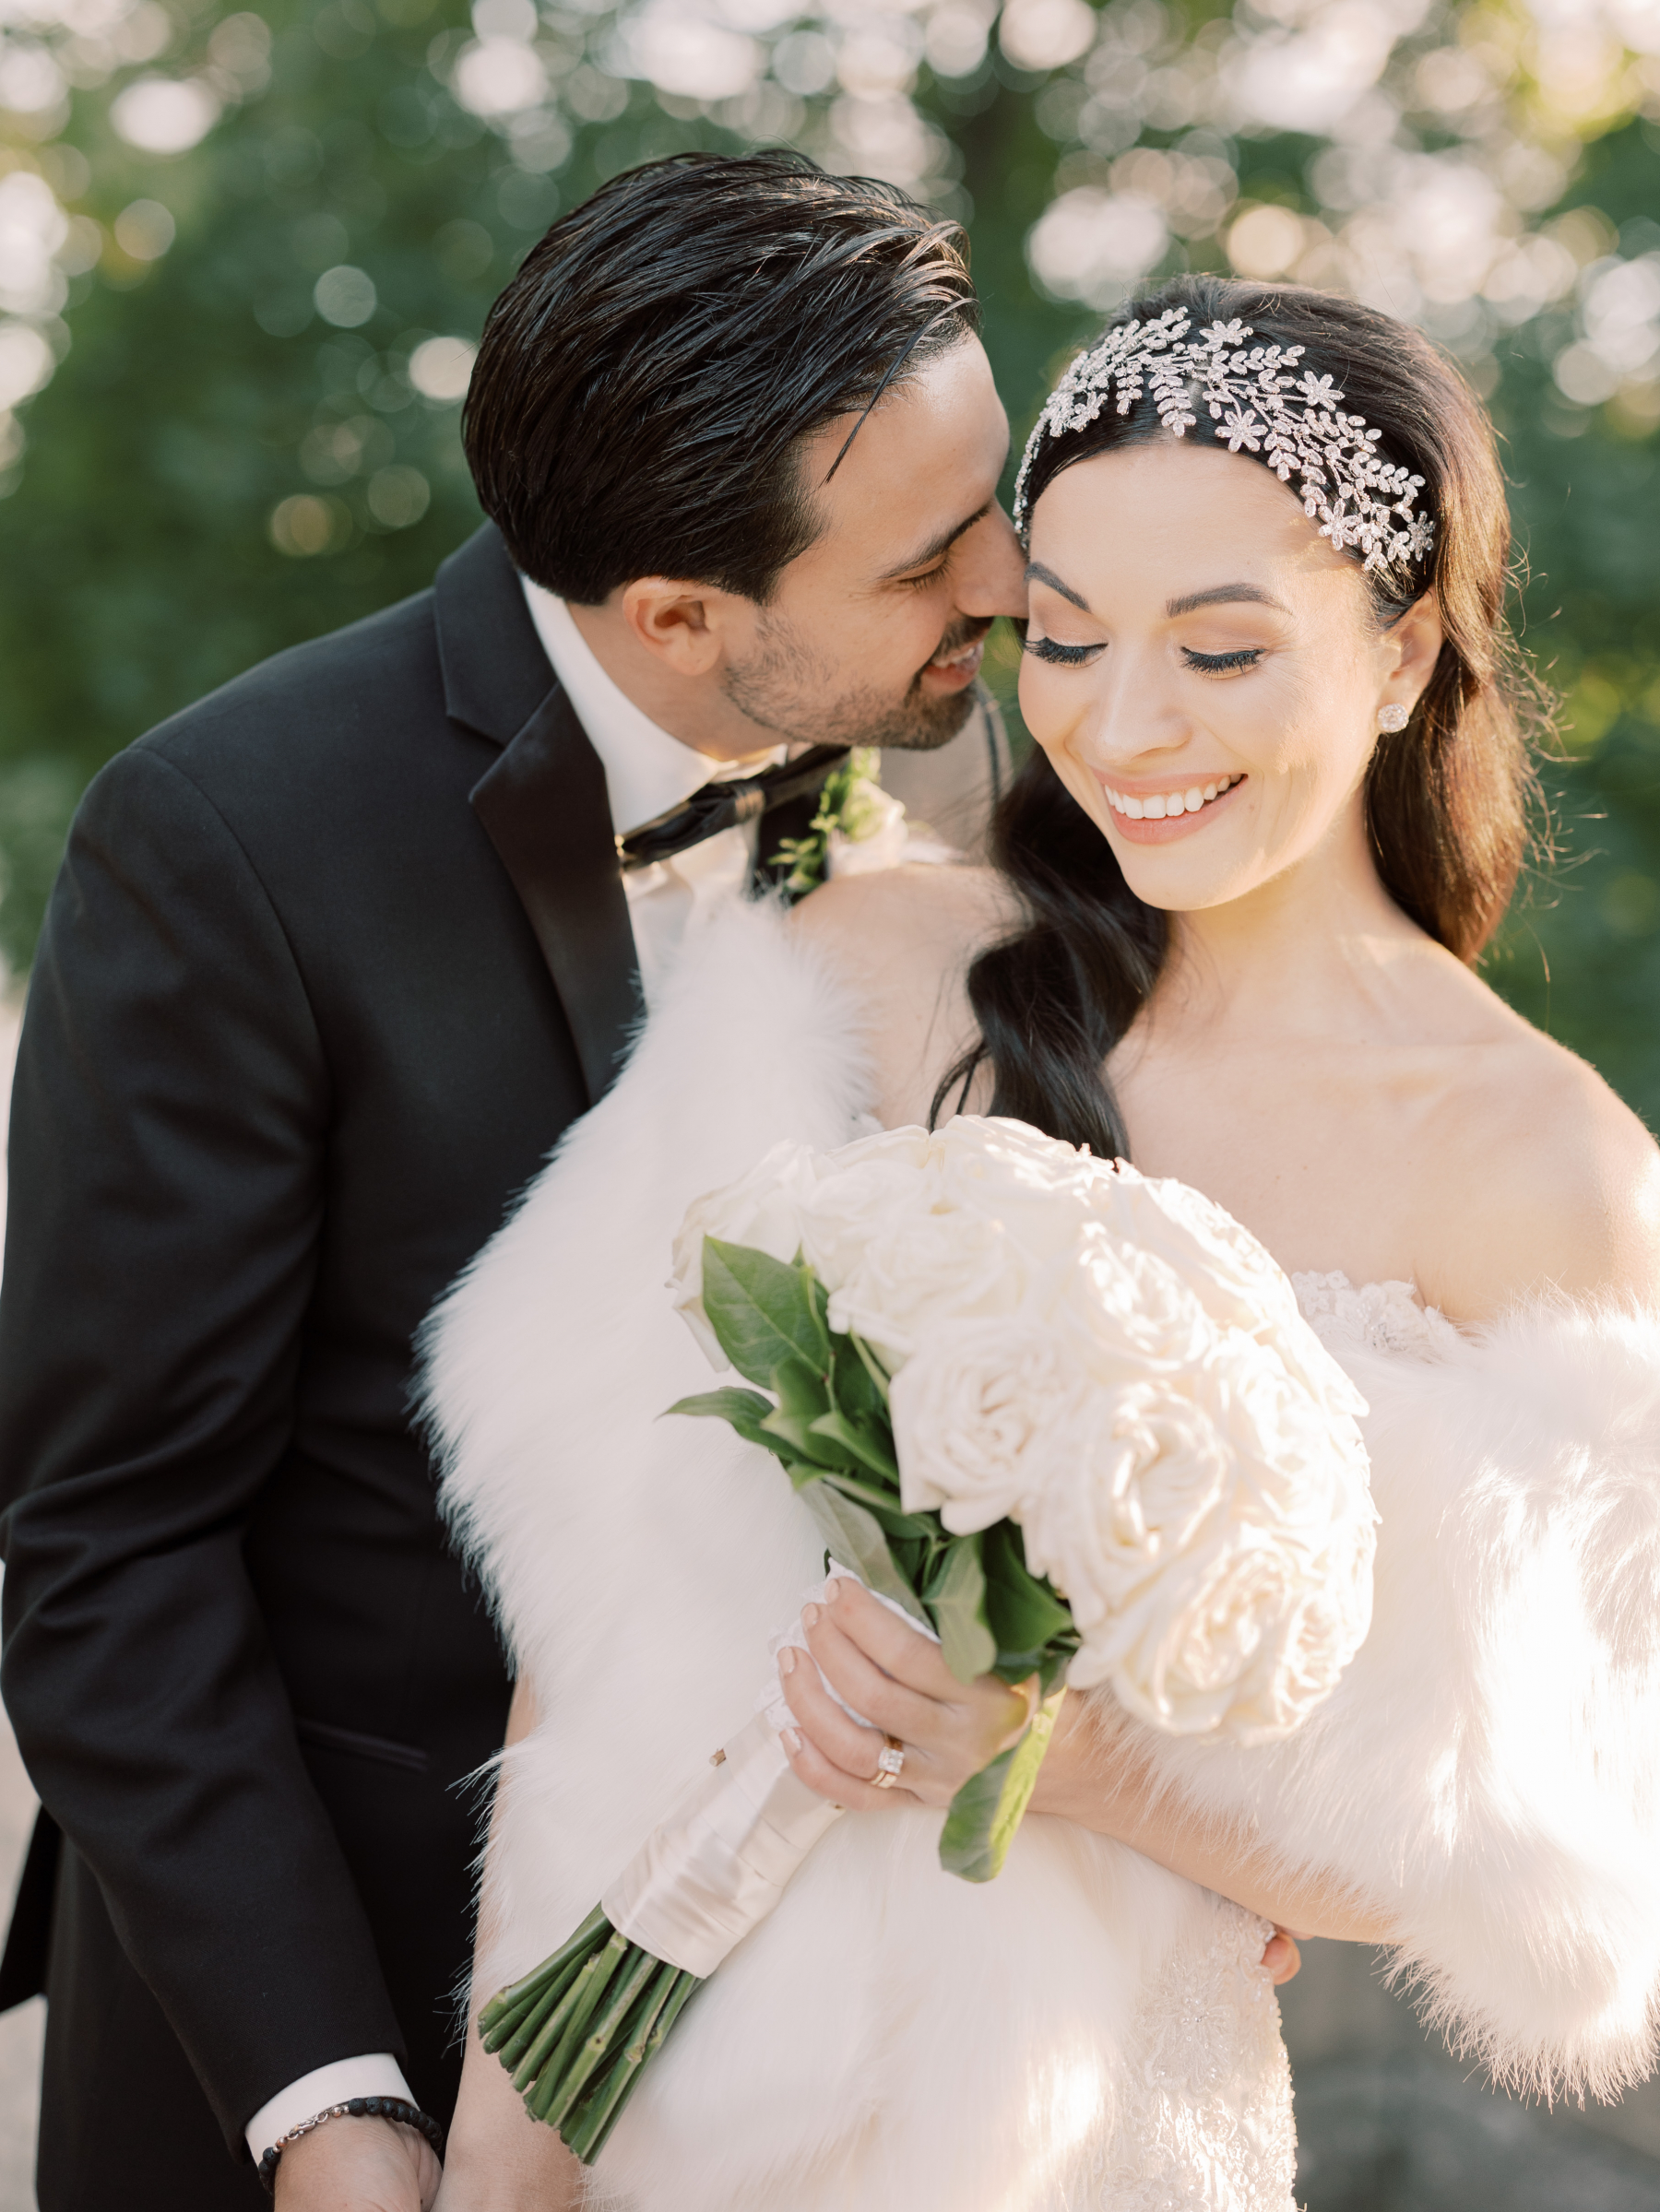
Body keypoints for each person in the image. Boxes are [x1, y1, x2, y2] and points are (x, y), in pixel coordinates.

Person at [423, 275, 1660, 2209]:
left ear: (1407, 653)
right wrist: (503, 2158)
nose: (1124, 725)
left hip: (1098, 2144)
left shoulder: (1549, 1174)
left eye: (1224, 652)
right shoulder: (857, 974)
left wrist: (1069, 1759)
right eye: (1068, 638)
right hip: (695, 2097)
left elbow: (1550, 1882)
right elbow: (598, 1639)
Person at [0, 151, 1026, 2211]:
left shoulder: (974, 758)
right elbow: (105, 1542)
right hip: (338, 1991)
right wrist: (327, 2104)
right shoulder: (228, 841)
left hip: (824, 2014)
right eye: (928, 561)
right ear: (675, 616)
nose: (1007, 584)